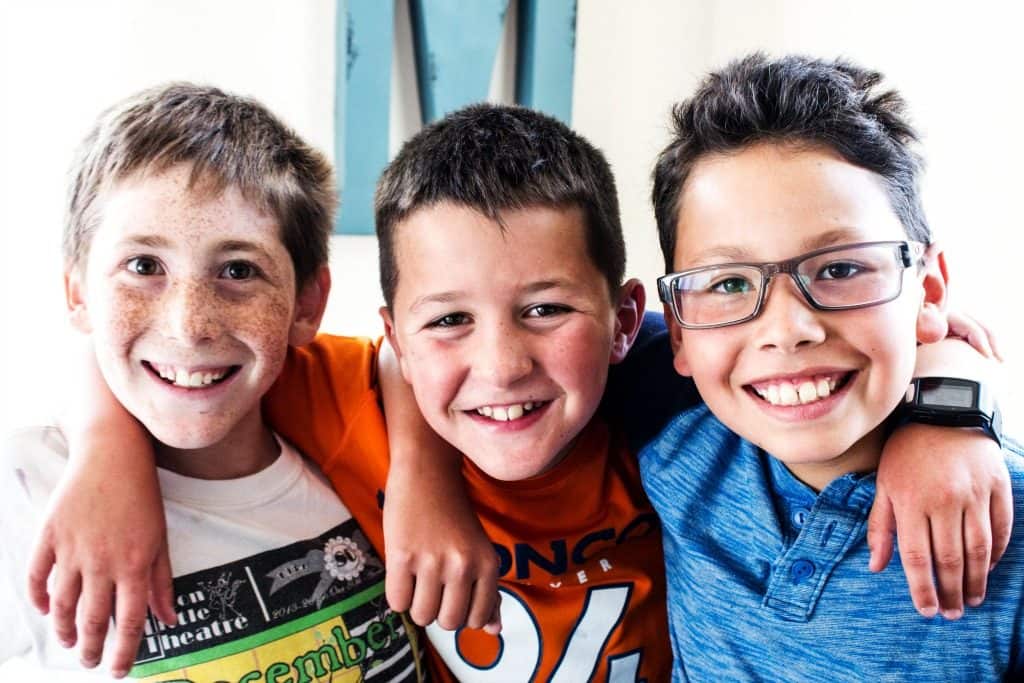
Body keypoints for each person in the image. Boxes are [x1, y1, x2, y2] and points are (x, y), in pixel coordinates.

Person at [19, 100, 1011, 681]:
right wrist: (107, 449)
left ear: (627, 321)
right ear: (398, 332)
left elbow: (784, 340)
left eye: (545, 310)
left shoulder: (668, 403)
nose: (500, 365)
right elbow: (179, 347)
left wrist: (945, 403)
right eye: (448, 320)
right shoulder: (336, 395)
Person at [0, 83, 429, 681]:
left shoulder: (359, 456)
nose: (190, 325)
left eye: (238, 270)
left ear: (307, 303)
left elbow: (402, 362)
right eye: (143, 266)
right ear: (78, 293)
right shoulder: (24, 492)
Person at [640, 52, 1023, 680]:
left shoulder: (1007, 525)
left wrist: (951, 411)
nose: (789, 330)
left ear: (928, 293)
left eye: (841, 269)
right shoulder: (665, 436)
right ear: (678, 326)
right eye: (729, 284)